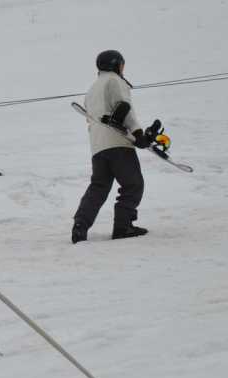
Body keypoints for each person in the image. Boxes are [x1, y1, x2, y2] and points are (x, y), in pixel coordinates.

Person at [71, 50, 162, 243]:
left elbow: (91, 119)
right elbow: (124, 106)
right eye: (122, 65)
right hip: (118, 144)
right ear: (115, 65)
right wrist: (138, 134)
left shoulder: (91, 90)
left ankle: (80, 225)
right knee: (133, 184)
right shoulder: (115, 81)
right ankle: (123, 226)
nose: (122, 69)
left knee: (98, 187)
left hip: (97, 147)